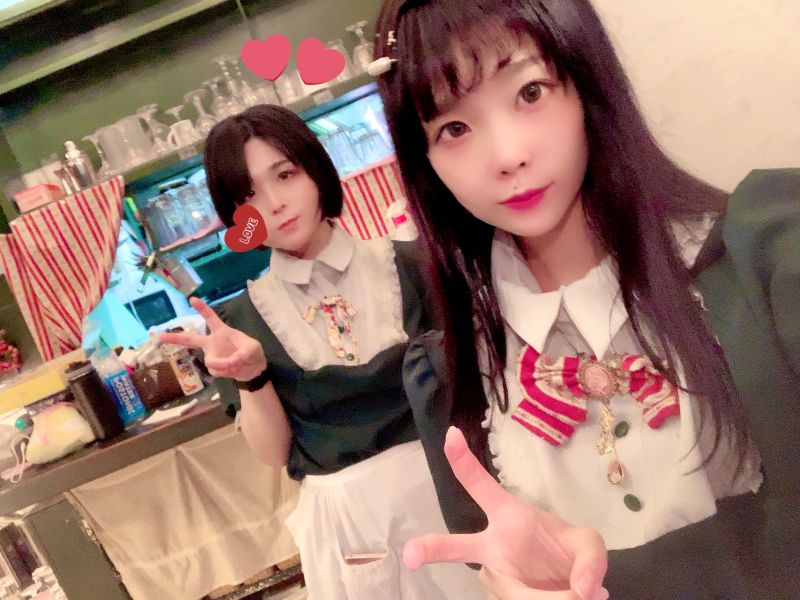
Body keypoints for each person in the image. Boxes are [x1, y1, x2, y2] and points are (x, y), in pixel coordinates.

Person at [368, 0, 800, 598]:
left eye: (530, 93)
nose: (508, 156)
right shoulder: (453, 381)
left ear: (585, 82)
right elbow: (497, 558)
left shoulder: (765, 258)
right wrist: (509, 587)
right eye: (455, 129)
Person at [158, 104, 484, 600]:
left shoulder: (415, 264)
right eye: (248, 195)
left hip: (456, 491)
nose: (274, 204)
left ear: (315, 170)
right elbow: (273, 453)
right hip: (350, 525)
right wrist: (251, 376)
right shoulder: (240, 324)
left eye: (285, 175)